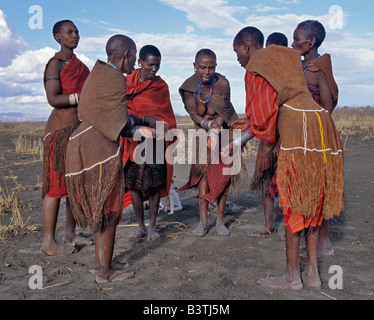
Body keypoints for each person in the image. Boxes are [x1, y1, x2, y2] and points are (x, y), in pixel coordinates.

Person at [232, 26, 344, 290]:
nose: (237, 58)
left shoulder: (255, 65)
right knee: (314, 199)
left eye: (237, 51)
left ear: (247, 46)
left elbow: (264, 120)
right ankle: (313, 274)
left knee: (294, 201)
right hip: (321, 126)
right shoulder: (287, 56)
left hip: (297, 131)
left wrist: (239, 141)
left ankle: (292, 275)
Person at [65, 35, 154, 283]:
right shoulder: (115, 79)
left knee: (102, 211)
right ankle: (105, 273)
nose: (134, 62)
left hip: (85, 146)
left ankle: (101, 263)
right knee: (109, 212)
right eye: (134, 56)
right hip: (98, 152)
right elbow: (119, 123)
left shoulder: (100, 73)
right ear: (126, 54)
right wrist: (140, 128)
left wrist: (138, 121)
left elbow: (110, 114)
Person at [41, 20, 92, 256]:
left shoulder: (81, 66)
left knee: (73, 186)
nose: (75, 35)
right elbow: (54, 98)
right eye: (69, 32)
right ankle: (48, 242)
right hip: (60, 131)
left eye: (77, 32)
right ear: (57, 37)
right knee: (55, 187)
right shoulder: (55, 64)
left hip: (78, 131)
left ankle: (70, 235)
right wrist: (81, 97)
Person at [178, 49, 239, 237]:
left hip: (223, 130)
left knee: (223, 175)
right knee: (203, 174)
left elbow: (224, 111)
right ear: (194, 66)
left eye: (210, 68)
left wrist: (215, 128)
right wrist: (207, 126)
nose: (206, 72)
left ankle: (220, 221)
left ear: (216, 67)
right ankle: (203, 222)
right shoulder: (189, 87)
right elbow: (193, 114)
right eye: (202, 67)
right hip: (201, 131)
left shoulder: (222, 84)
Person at [292, 20, 339, 256]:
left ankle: (324, 244)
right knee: (307, 191)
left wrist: (312, 134)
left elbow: (327, 109)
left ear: (311, 41)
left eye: (296, 38)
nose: (293, 43)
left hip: (316, 140)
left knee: (318, 191)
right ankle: (315, 241)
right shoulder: (301, 67)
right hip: (301, 138)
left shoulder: (319, 69)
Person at [121, 45, 177, 241]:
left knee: (154, 185)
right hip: (133, 140)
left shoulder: (161, 86)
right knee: (134, 185)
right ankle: (140, 226)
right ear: (140, 62)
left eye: (158, 65)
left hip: (156, 142)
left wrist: (159, 128)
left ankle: (153, 226)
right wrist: (142, 119)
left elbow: (166, 114)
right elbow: (120, 110)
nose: (154, 69)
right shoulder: (126, 83)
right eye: (151, 64)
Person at [246, 32, 288, 238]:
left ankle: (292, 226)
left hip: (289, 133)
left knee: (290, 180)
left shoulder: (291, 71)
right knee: (265, 178)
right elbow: (260, 105)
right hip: (268, 135)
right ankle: (269, 224)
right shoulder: (261, 71)